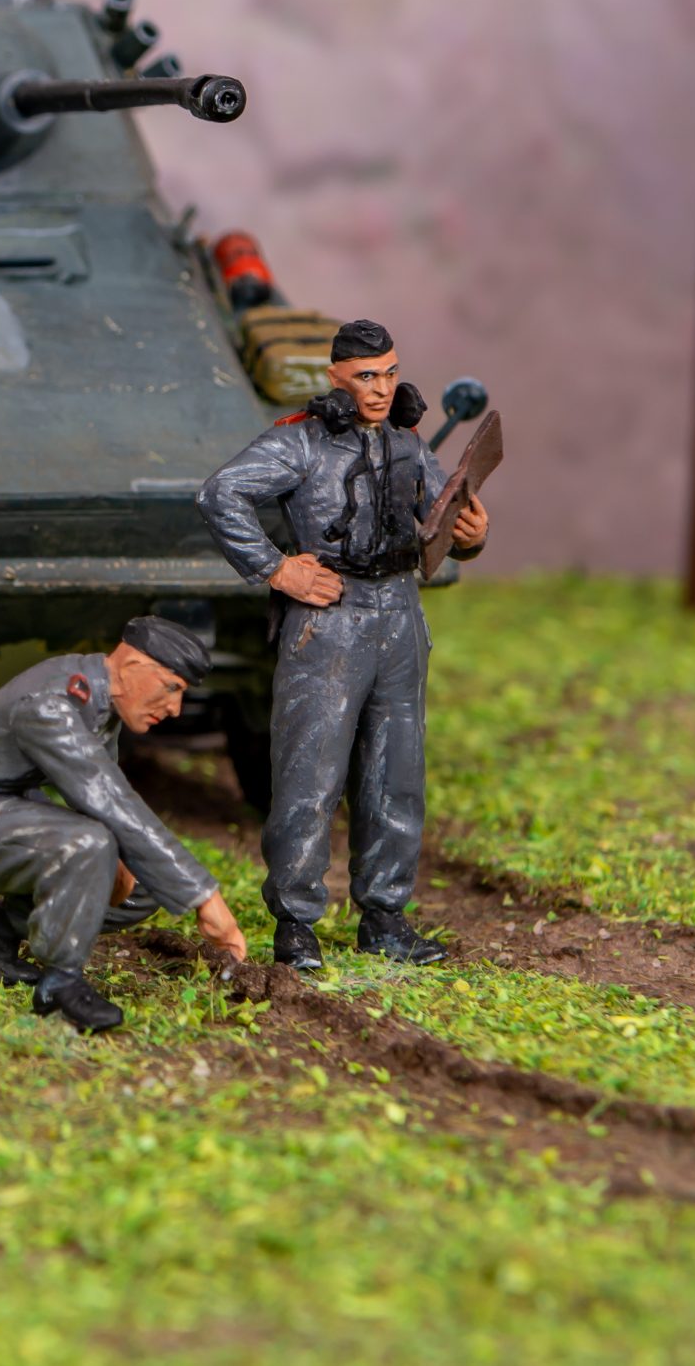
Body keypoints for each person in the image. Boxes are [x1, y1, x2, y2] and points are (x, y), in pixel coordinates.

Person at [195, 319, 491, 970]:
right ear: (336, 377)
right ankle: (296, 922)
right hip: (328, 620)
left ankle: (384, 916)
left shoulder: (409, 443)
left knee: (396, 772)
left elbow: (441, 521)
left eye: (389, 373)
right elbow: (221, 493)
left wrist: (470, 536)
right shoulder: (300, 441)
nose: (381, 388)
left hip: (399, 616)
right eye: (365, 376)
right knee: (309, 772)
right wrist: (276, 568)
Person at [0, 616, 249, 1032]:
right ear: (133, 667)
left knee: (144, 884)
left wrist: (131, 860)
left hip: (15, 804)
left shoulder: (102, 701)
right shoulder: (52, 704)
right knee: (88, 844)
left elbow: (106, 797)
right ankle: (61, 983)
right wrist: (204, 897)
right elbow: (106, 798)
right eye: (171, 688)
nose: (175, 708)